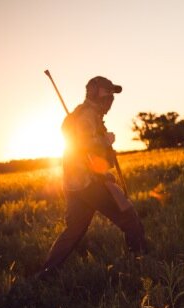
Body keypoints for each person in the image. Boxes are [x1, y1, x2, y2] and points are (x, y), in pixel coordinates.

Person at [37, 76, 146, 278]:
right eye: (107, 94)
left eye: (112, 96)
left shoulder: (85, 114)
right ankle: (140, 265)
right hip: (89, 182)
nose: (110, 100)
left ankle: (45, 274)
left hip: (75, 183)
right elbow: (84, 144)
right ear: (94, 93)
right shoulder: (86, 116)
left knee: (75, 229)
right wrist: (106, 139)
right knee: (129, 217)